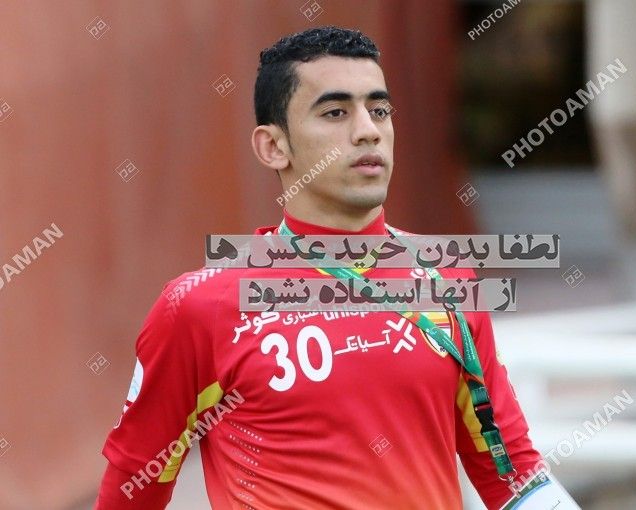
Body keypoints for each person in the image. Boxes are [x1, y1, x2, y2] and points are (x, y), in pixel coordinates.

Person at [94, 25, 542, 510]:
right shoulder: (200, 306)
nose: (368, 130)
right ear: (273, 147)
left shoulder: (446, 277)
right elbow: (131, 491)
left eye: (379, 110)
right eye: (335, 112)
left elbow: (512, 473)